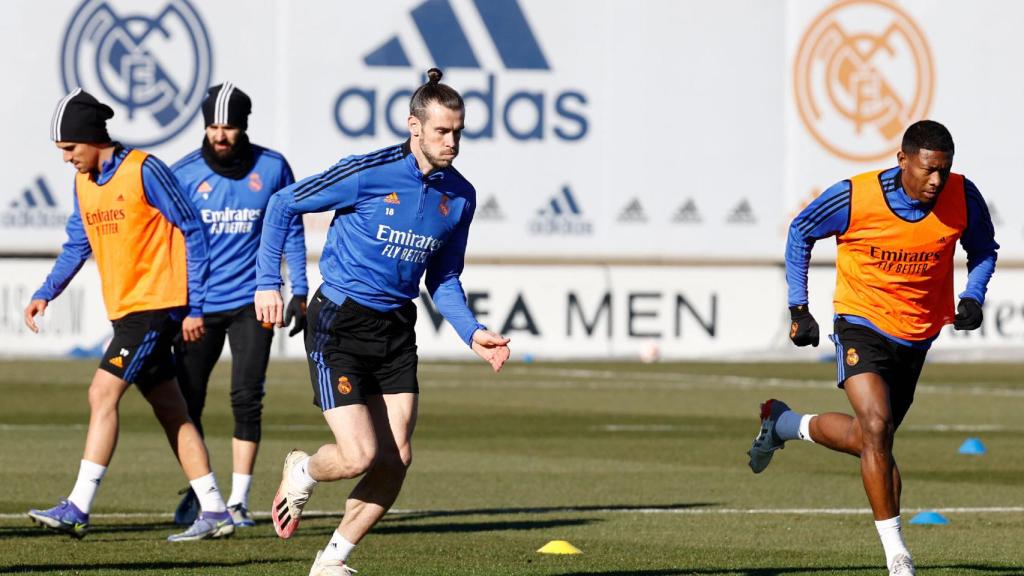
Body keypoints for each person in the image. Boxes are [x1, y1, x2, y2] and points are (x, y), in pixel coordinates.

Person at [253, 68, 510, 575]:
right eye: (442, 131)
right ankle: (303, 470)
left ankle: (331, 561)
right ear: (414, 127)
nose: (452, 141)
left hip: (395, 330)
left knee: (397, 460)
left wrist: (473, 332)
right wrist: (269, 282)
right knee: (358, 456)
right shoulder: (367, 171)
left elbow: (444, 275)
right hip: (340, 324)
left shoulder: (460, 195)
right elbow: (284, 202)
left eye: (458, 130)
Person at [748, 120, 998, 576]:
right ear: (902, 160)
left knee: (870, 440)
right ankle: (897, 556)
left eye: (944, 170)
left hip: (917, 335)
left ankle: (782, 423)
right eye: (928, 170)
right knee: (878, 427)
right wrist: (798, 308)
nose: (937, 181)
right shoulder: (855, 196)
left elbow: (983, 250)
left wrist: (973, 296)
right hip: (861, 322)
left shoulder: (963, 196)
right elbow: (800, 231)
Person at [24, 89, 236, 541]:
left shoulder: (145, 169)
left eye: (69, 149)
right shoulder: (83, 183)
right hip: (127, 312)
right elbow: (76, 246)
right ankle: (216, 510)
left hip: (157, 306)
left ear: (90, 138)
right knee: (171, 410)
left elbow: (193, 229)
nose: (66, 159)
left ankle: (78, 506)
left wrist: (194, 305)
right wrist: (46, 293)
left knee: (102, 393)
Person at [170, 82, 308, 528]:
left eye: (228, 126)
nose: (219, 135)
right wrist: (181, 307)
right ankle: (199, 492)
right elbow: (169, 243)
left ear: (243, 126)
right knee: (185, 402)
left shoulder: (272, 168)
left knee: (246, 398)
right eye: (212, 125)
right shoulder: (185, 173)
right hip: (198, 308)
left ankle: (238, 501)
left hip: (254, 301)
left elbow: (292, 229)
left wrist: (300, 290)